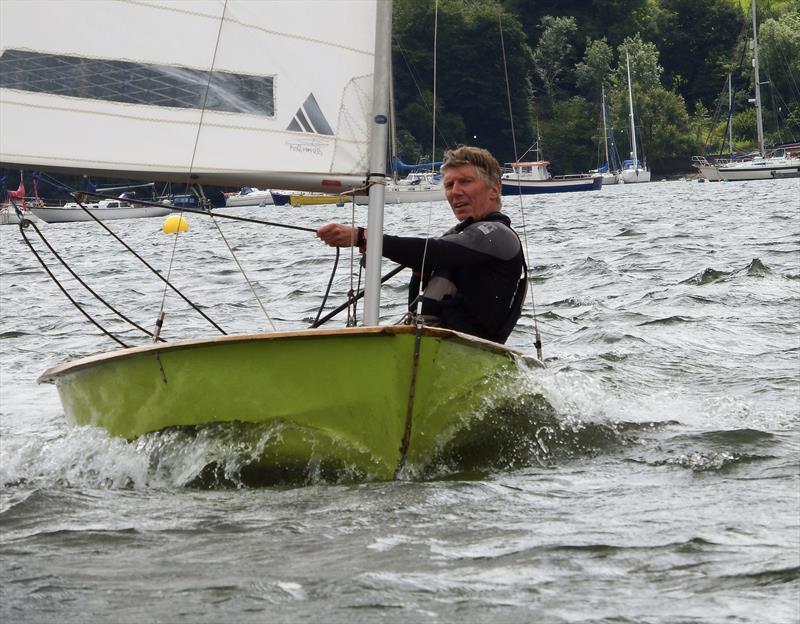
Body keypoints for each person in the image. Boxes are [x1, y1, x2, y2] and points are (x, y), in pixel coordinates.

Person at [316, 145, 526, 344]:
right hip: (434, 343)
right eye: (449, 185)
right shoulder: (462, 239)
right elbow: (423, 265)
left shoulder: (499, 235)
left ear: (494, 190)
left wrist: (362, 237)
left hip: (468, 350)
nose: (455, 191)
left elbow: (436, 251)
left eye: (466, 181)